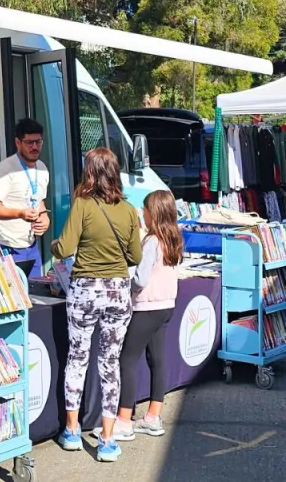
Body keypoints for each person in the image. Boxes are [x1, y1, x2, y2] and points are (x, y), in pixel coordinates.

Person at [51, 147, 142, 463]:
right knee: (109, 362)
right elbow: (136, 257)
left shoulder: (82, 205)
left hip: (84, 291)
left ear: (89, 172)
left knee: (77, 358)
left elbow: (64, 247)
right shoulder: (129, 210)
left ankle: (73, 431)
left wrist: (52, 244)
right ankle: (106, 438)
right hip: (117, 291)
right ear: (115, 172)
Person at [104, 189, 182, 441]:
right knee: (157, 359)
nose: (142, 214)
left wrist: (126, 280)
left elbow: (141, 278)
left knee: (127, 358)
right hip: (166, 305)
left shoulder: (151, 241)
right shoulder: (174, 238)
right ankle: (153, 416)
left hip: (146, 307)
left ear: (153, 214)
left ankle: (124, 419)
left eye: (145, 210)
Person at [0, 118, 51, 277]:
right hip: (2, 245)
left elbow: (38, 200)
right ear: (17, 143)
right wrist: (20, 213)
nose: (34, 147)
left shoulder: (42, 169)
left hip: (30, 246)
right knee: (8, 299)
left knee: (35, 296)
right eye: (29, 143)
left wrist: (44, 217)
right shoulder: (5, 169)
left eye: (38, 142)